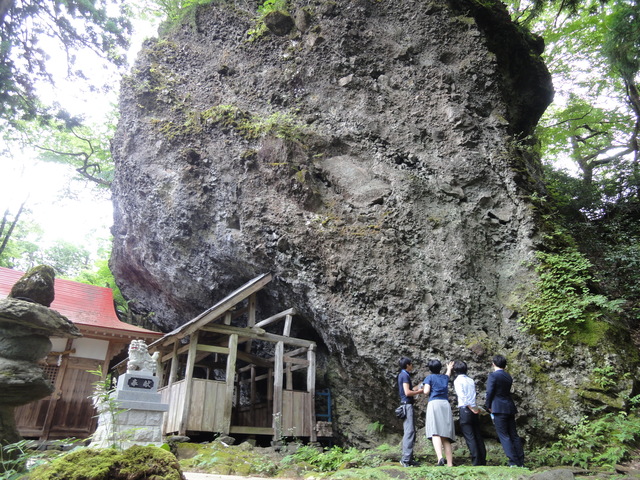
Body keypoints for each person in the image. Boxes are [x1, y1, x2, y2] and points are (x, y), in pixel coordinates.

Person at [485, 354, 525, 467]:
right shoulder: (508, 376)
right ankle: (520, 462)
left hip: (497, 408)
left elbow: (489, 392)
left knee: (504, 435)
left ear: (493, 364)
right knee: (514, 435)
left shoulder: (493, 376)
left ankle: (513, 462)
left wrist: (488, 405)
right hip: (509, 407)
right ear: (505, 365)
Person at [452, 360, 486, 466]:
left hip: (466, 408)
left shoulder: (457, 381)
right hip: (474, 408)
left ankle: (476, 461)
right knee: (477, 434)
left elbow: (462, 396)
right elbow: (473, 395)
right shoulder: (471, 380)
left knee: (470, 436)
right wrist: (474, 407)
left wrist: (470, 407)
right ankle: (482, 459)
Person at [423, 359, 456, 467]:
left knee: (435, 432)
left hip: (434, 404)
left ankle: (440, 458)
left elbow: (426, 391)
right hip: (445, 404)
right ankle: (450, 463)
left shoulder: (429, 378)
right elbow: (447, 375)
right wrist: (449, 369)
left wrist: (423, 388)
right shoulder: (444, 378)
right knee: (445, 436)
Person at [397, 357, 423, 467]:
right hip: (407, 406)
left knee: (411, 431)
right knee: (409, 432)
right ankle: (405, 459)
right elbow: (407, 392)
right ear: (407, 365)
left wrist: (418, 386)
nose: (412, 366)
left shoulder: (402, 375)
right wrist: (421, 391)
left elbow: (408, 390)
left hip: (406, 405)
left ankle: (409, 458)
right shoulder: (405, 375)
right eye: (411, 364)